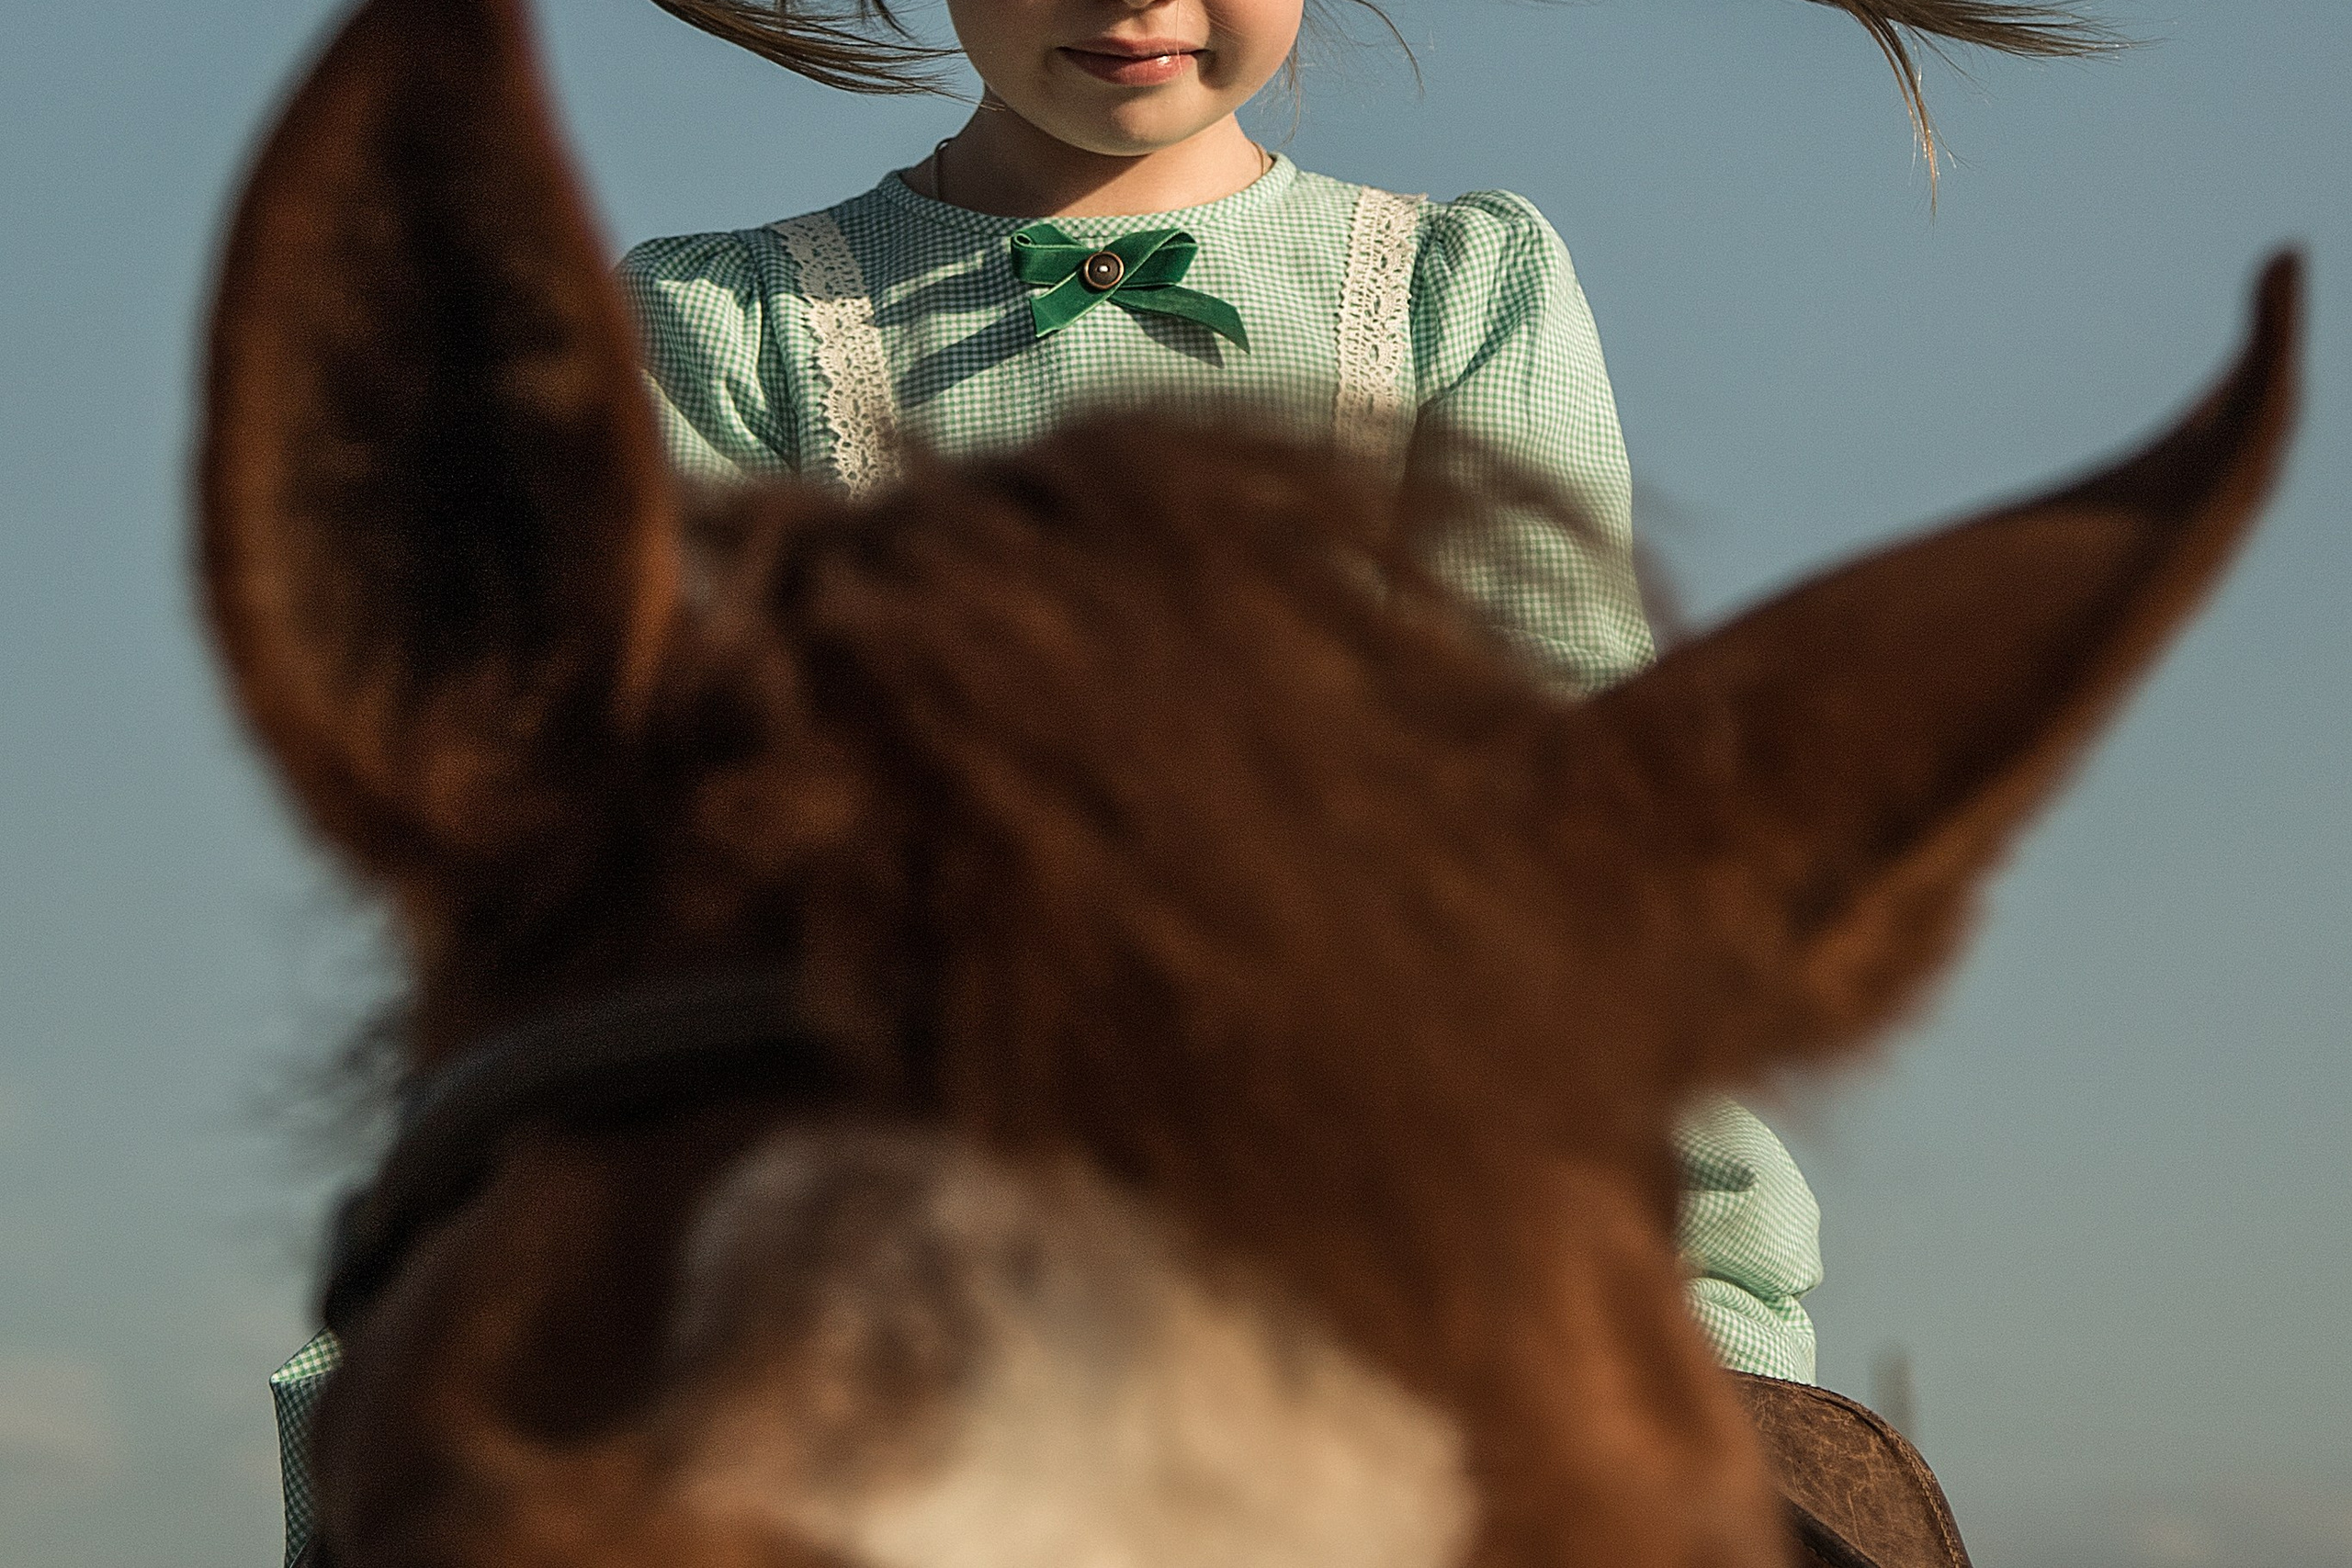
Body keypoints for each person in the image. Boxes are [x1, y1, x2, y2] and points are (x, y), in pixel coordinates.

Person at [271, 0, 2133, 1556]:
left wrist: (1709, 1288)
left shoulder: (1450, 286)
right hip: (857, 1100)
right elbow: (639, 827)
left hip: (1346, 1133)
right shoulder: (727, 321)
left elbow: (1579, 774)